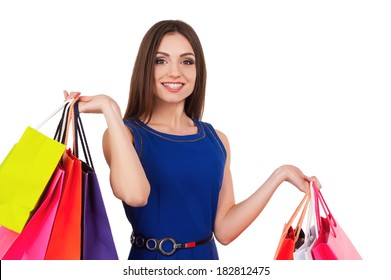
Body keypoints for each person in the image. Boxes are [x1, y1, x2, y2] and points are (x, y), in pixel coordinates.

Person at [64, 19, 321, 260]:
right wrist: (110, 109)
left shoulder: (216, 140)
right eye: (160, 61)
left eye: (187, 62)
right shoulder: (124, 134)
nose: (175, 72)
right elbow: (135, 195)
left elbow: (225, 230)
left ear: (198, 70)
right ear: (145, 68)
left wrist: (280, 175)